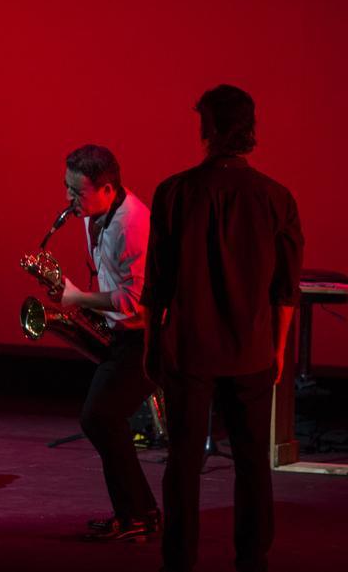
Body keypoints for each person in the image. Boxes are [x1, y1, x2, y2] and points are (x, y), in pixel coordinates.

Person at [143, 85, 302, 572]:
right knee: (253, 461)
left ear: (207, 129)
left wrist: (152, 344)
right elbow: (285, 289)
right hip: (250, 350)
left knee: (183, 461)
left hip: (190, 349)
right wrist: (278, 349)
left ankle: (179, 559)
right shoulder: (276, 197)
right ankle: (252, 557)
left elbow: (156, 285)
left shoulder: (175, 192)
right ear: (250, 129)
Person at [55, 145, 161, 541]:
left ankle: (140, 514)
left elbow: (134, 300)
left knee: (100, 417)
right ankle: (137, 513)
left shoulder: (131, 225)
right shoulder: (94, 215)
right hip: (122, 334)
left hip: (146, 338)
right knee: (102, 419)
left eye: (77, 191)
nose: (69, 199)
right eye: (67, 188)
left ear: (107, 189)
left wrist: (79, 299)